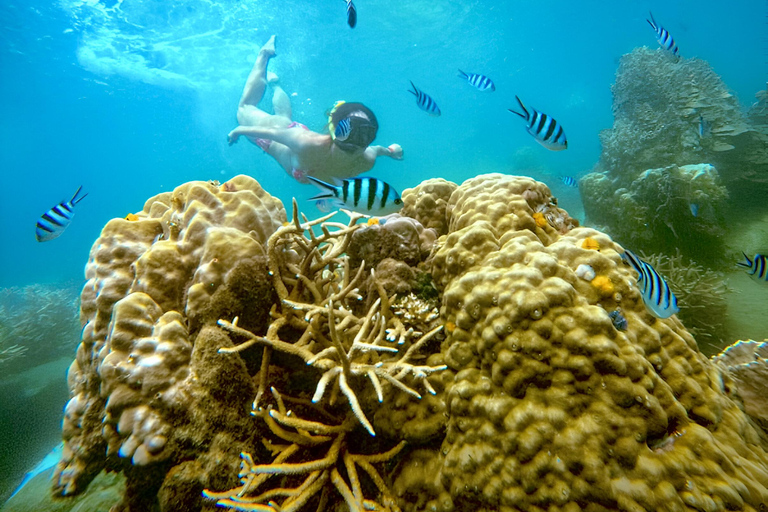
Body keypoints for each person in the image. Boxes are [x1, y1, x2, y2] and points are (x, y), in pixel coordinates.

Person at [227, 35, 403, 184]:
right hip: (277, 138)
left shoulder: (366, 159)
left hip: (290, 138)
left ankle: (276, 85)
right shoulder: (307, 143)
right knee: (249, 110)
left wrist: (391, 152)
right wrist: (239, 130)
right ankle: (264, 55)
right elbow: (269, 132)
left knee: (278, 116)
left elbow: (379, 150)